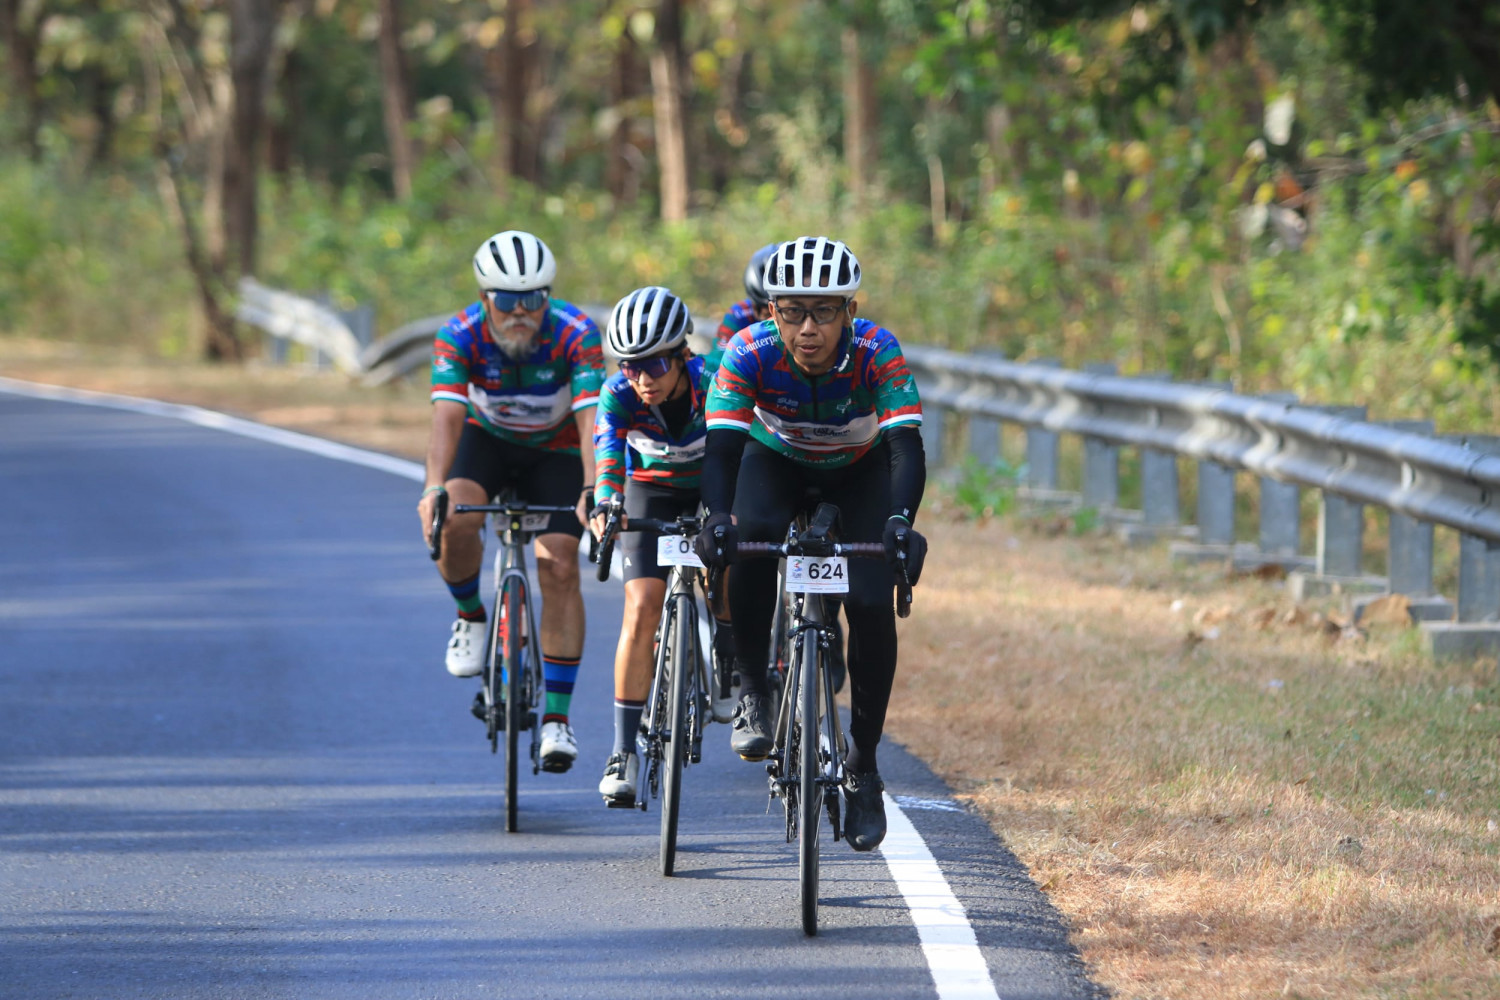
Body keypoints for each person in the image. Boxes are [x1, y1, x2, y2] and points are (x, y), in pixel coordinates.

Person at [694, 236, 929, 852]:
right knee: (749, 544)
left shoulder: (877, 350)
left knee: (873, 603)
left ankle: (864, 764)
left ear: (849, 311)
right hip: (774, 462)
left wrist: (900, 521)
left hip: (858, 471)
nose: (807, 329)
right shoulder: (749, 350)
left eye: (823, 312)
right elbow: (721, 448)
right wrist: (717, 517)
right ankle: (754, 689)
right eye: (792, 311)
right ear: (771, 311)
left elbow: (905, 447)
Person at [417, 230, 605, 774]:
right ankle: (471, 616)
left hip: (557, 451)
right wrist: (433, 486)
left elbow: (591, 420)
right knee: (452, 517)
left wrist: (594, 488)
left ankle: (557, 720)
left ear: (548, 296)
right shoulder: (459, 334)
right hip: (488, 443)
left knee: (560, 564)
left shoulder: (576, 333)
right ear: (484, 298)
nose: (520, 311)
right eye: (506, 299)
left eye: (533, 298)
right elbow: (447, 419)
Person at [588, 286, 734, 806]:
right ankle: (622, 751)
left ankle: (729, 653)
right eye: (630, 366)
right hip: (650, 490)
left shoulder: (715, 380)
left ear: (681, 355)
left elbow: (742, 449)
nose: (641, 379)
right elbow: (608, 454)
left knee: (727, 567)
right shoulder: (619, 393)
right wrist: (606, 503)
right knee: (642, 605)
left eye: (652, 365)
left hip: (713, 485)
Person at [704, 243, 777, 372]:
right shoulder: (739, 314)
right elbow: (718, 364)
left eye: (791, 311)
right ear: (754, 307)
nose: (775, 321)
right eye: (768, 314)